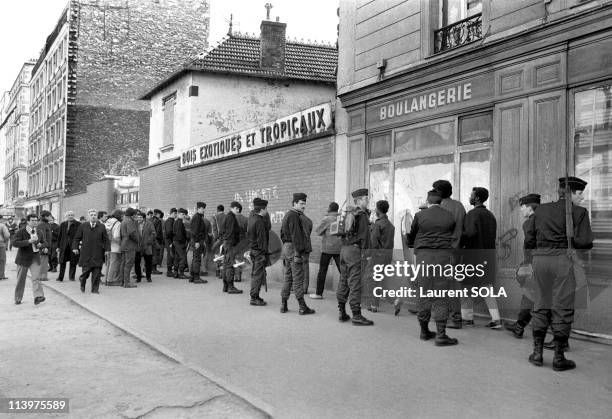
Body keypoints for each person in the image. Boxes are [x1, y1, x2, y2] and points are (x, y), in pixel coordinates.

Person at [525, 176, 593, 371]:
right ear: (571, 193)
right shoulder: (580, 213)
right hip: (563, 261)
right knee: (562, 306)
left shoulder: (541, 210)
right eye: (580, 194)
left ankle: (537, 353)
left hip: (540, 260)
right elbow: (585, 242)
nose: (581, 198)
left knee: (541, 303)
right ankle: (558, 357)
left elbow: (529, 238)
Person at [407, 189, 457, 345]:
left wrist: (414, 245)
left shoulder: (420, 216)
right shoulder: (449, 216)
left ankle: (424, 331)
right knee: (441, 295)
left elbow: (411, 235)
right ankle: (441, 335)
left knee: (424, 293)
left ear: (428, 201)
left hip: (424, 258)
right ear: (441, 202)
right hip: (442, 258)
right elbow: (453, 235)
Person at [460, 187, 502, 329]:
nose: (469, 197)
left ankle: (467, 318)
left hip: (473, 255)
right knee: (486, 288)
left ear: (477, 198)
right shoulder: (491, 216)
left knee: (466, 288)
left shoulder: (472, 214)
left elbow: (470, 233)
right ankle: (496, 320)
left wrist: (460, 239)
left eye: (471, 195)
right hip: (488, 256)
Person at [505, 194, 541, 338]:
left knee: (529, 294)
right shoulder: (547, 219)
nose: (521, 210)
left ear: (530, 208)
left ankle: (519, 326)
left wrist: (526, 264)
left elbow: (530, 246)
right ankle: (519, 326)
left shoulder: (529, 223)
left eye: (523, 207)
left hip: (535, 264)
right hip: (552, 264)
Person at [337, 188, 373, 326]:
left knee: (343, 281)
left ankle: (341, 312)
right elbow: (365, 237)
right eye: (366, 198)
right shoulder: (362, 215)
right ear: (359, 200)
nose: (367, 201)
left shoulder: (349, 213)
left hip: (344, 250)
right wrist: (368, 255)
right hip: (355, 252)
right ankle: (356, 315)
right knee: (355, 283)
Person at [433, 179, 466, 329]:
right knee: (453, 285)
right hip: (457, 251)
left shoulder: (439, 208)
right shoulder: (459, 206)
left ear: (439, 192)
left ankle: (445, 317)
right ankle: (456, 318)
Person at [280, 193, 314, 314]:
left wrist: (287, 247)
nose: (304, 206)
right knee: (298, 278)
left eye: (304, 203)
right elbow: (297, 236)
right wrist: (298, 253)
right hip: (294, 249)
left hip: (287, 248)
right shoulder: (294, 215)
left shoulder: (287, 215)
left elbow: (282, 234)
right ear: (294, 203)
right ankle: (302, 306)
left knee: (288, 276)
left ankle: (283, 304)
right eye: (301, 203)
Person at [367, 200, 395, 312]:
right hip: (387, 256)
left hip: (377, 256)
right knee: (380, 280)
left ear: (378, 210)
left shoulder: (377, 224)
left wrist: (369, 256)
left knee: (372, 280)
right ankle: (394, 300)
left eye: (375, 208)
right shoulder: (390, 225)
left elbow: (373, 242)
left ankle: (374, 305)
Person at [73, 209, 110, 293]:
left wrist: (107, 249)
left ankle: (95, 290)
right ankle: (82, 282)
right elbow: (77, 238)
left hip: (97, 253)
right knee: (85, 272)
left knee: (96, 273)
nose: (93, 216)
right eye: (91, 215)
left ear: (97, 217)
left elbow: (106, 239)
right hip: (86, 253)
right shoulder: (83, 226)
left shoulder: (101, 226)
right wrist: (75, 247)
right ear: (88, 216)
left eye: (95, 215)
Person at [310, 202, 342, 299]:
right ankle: (350, 293)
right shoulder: (341, 219)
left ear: (329, 208)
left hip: (327, 249)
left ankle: (319, 293)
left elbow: (318, 231)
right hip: (339, 249)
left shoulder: (327, 219)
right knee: (344, 272)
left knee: (322, 271)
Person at [14, 214, 46, 305]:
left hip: (35, 258)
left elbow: (44, 242)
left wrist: (41, 245)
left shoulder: (39, 231)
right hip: (23, 259)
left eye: (36, 220)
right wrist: (28, 241)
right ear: (28, 221)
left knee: (36, 278)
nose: (35, 222)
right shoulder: (21, 231)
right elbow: (15, 243)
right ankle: (18, 298)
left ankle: (38, 296)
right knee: (21, 279)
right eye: (32, 220)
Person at [248, 197, 270, 306]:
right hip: (259, 252)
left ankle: (255, 295)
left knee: (255, 274)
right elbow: (262, 240)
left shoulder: (252, 218)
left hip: (253, 250)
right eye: (266, 209)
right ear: (262, 209)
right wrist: (264, 252)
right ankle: (254, 297)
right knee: (258, 275)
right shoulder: (260, 221)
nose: (267, 211)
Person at [220, 202, 244, 294]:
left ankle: (226, 286)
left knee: (226, 265)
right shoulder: (231, 217)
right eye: (236, 209)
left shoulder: (228, 217)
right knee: (230, 265)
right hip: (230, 244)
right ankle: (230, 287)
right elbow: (230, 232)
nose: (238, 211)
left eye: (239, 209)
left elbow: (222, 231)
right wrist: (233, 243)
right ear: (232, 208)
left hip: (227, 243)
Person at [57, 211, 81, 281]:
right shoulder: (63, 224)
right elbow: (60, 236)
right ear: (66, 216)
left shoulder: (78, 224)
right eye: (69, 215)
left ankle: (71, 277)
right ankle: (60, 277)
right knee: (62, 262)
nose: (70, 216)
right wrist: (58, 246)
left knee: (73, 262)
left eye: (72, 215)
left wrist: (78, 245)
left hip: (73, 246)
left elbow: (80, 236)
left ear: (74, 216)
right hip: (64, 245)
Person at [189, 202, 209, 284]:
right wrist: (197, 241)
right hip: (197, 240)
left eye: (204, 208)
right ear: (198, 208)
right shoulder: (197, 217)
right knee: (197, 259)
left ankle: (192, 276)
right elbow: (195, 230)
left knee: (195, 258)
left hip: (197, 240)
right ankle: (196, 278)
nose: (203, 210)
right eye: (202, 208)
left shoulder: (197, 217)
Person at [120, 207, 139, 288]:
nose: (136, 216)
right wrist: (138, 240)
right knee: (129, 264)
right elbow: (132, 233)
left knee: (123, 264)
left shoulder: (124, 221)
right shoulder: (129, 221)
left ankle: (122, 281)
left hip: (124, 244)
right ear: (132, 214)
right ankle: (127, 283)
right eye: (135, 214)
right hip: (130, 245)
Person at [134, 210, 156, 283]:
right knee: (137, 263)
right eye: (138, 217)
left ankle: (148, 277)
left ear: (144, 218)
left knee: (148, 263)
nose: (139, 219)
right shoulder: (135, 224)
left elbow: (153, 233)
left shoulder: (149, 224)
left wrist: (149, 241)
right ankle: (138, 277)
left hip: (147, 246)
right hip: (138, 246)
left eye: (140, 217)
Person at [105, 209, 123, 286]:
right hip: (115, 247)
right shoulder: (118, 223)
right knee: (114, 263)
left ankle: (107, 279)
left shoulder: (108, 221)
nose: (122, 217)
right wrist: (121, 245)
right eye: (121, 215)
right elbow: (116, 237)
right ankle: (110, 280)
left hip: (108, 246)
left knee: (109, 263)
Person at [172, 208, 189, 279]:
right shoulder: (179, 222)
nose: (184, 216)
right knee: (183, 257)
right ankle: (181, 273)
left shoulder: (177, 221)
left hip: (176, 242)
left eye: (184, 214)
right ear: (178, 214)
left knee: (177, 257)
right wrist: (183, 241)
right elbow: (179, 234)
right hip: (179, 242)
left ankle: (176, 272)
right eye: (182, 214)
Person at [233, 204, 249, 282]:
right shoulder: (246, 219)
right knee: (239, 257)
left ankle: (236, 276)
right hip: (242, 240)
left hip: (233, 241)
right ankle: (238, 275)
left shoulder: (231, 218)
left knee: (233, 257)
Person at [36, 210, 53, 282]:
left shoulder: (46, 223)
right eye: (50, 216)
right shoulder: (41, 224)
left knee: (45, 262)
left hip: (47, 245)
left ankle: (43, 276)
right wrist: (44, 247)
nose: (51, 217)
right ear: (46, 216)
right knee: (43, 262)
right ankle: (42, 277)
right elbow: (42, 236)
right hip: (44, 246)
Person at [211, 205, 226, 278]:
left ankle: (218, 271)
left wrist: (216, 238)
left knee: (217, 254)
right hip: (226, 239)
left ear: (217, 210)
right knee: (224, 254)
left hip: (219, 239)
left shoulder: (214, 217)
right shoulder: (227, 216)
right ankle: (223, 272)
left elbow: (214, 229)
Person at [301, 211, 313, 294]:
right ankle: (305, 288)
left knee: (297, 267)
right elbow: (309, 232)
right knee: (305, 267)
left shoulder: (295, 219)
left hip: (298, 246)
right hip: (307, 246)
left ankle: (298, 287)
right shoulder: (309, 220)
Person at [164, 208, 177, 277]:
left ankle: (170, 270)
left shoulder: (172, 221)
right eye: (175, 213)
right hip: (169, 240)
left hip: (170, 240)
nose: (176, 215)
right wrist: (173, 237)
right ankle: (169, 271)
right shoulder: (169, 221)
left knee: (171, 254)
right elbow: (169, 232)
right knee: (170, 255)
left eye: (176, 213)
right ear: (171, 213)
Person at [151, 209, 164, 274]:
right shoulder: (158, 221)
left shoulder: (150, 220)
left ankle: (150, 268)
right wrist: (160, 239)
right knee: (156, 254)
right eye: (159, 214)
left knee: (152, 254)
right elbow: (158, 231)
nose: (160, 215)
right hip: (156, 240)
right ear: (157, 214)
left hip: (151, 239)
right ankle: (154, 269)